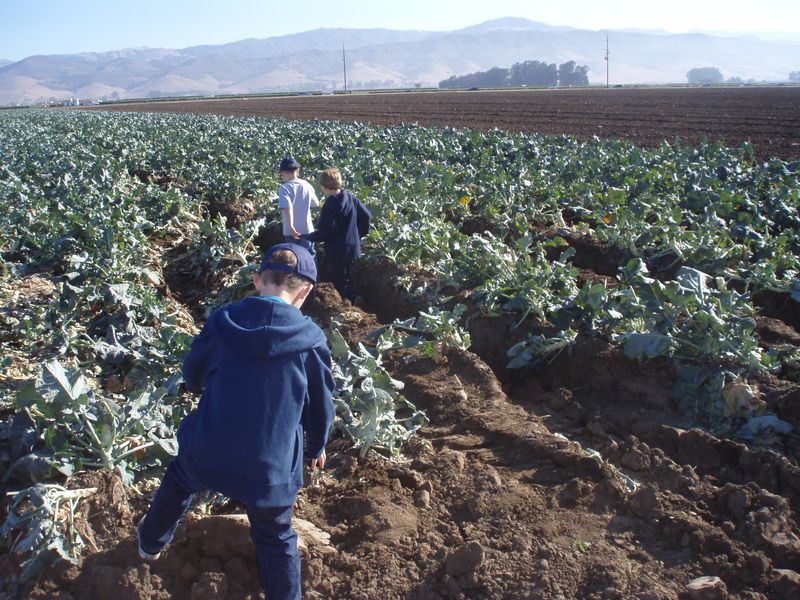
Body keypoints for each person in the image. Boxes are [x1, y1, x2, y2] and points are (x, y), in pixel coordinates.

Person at [136, 243, 335, 600]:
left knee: (180, 479)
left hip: (209, 452)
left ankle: (149, 545)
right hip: (269, 473)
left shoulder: (223, 323)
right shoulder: (311, 343)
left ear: (258, 281)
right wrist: (316, 446)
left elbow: (194, 376)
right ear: (305, 292)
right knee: (275, 535)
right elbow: (320, 407)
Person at [304, 168, 364, 304]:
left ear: (324, 187)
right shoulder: (351, 198)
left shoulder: (329, 205)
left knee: (338, 278)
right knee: (349, 274)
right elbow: (366, 217)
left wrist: (309, 237)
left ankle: (348, 301)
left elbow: (327, 230)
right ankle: (354, 296)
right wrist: (357, 235)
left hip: (336, 249)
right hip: (353, 247)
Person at [278, 156, 319, 258]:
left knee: (293, 258)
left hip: (291, 231)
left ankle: (297, 275)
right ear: (297, 170)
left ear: (284, 173)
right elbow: (315, 203)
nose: (281, 176)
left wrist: (291, 226)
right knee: (309, 256)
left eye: (281, 174)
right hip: (307, 228)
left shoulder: (285, 188)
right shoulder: (307, 185)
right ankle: (311, 274)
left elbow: (288, 207)